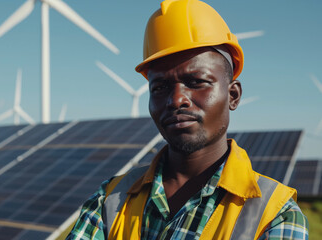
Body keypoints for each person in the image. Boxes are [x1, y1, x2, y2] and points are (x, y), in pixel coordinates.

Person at [66, 0, 308, 239]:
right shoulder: (109, 200)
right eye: (159, 87)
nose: (176, 100)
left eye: (196, 82)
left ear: (233, 96)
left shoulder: (276, 214)